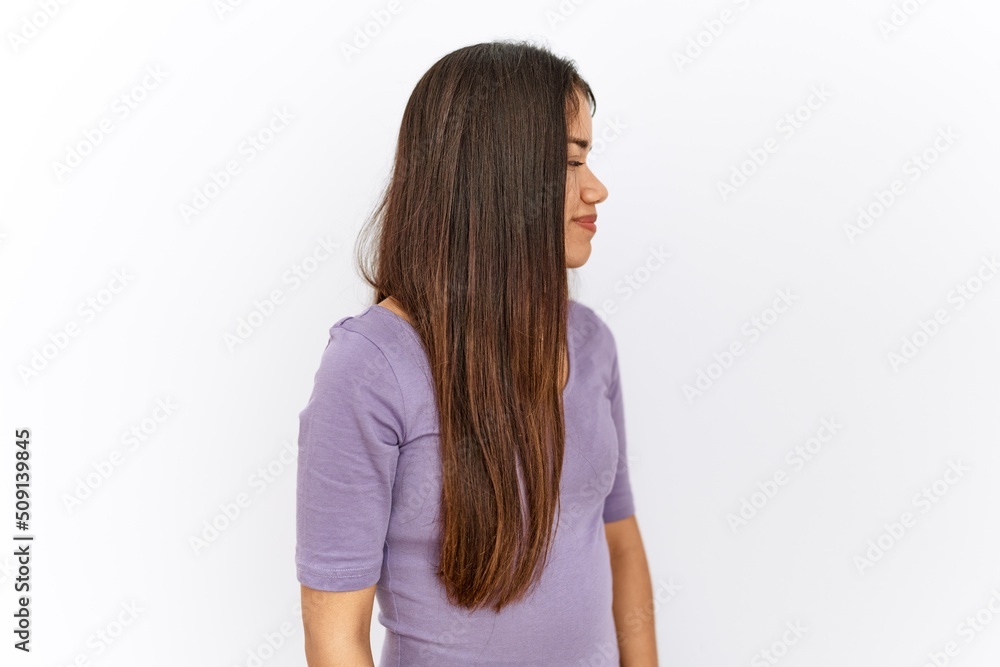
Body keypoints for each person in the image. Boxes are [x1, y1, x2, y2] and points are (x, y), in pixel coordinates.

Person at [295, 40, 657, 666]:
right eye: (571, 162)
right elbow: (335, 637)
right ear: (497, 175)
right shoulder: (371, 367)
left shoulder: (591, 342)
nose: (596, 189)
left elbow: (619, 540)